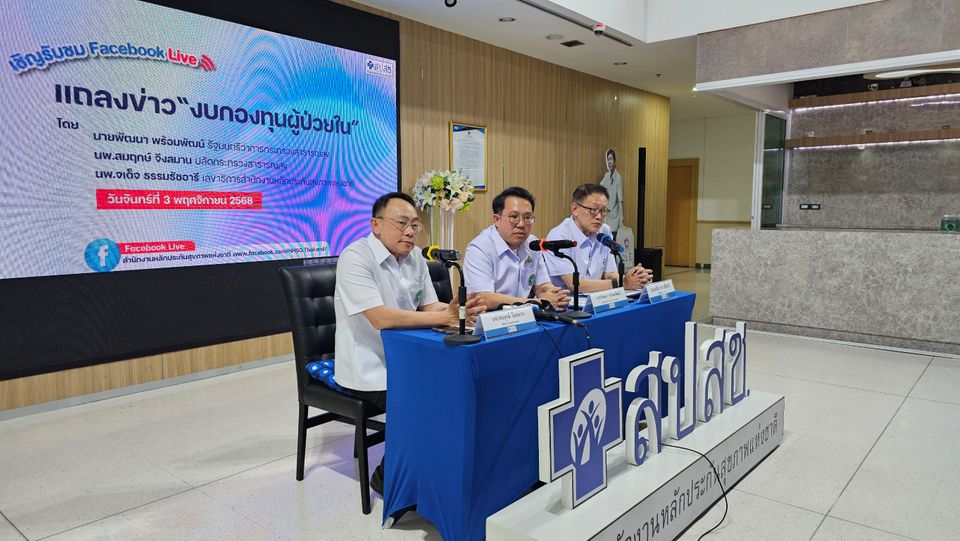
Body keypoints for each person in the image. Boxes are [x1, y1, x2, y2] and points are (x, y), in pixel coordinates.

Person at [334, 191, 484, 496]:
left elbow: (428, 306)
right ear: (376, 225)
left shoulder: (416, 257)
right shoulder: (355, 257)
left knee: (464, 385)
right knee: (428, 400)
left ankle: (441, 471)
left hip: (411, 356)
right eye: (401, 223)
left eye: (415, 225)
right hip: (371, 365)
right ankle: (387, 476)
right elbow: (380, 318)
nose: (410, 231)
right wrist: (441, 318)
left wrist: (459, 314)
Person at [463, 187, 570, 311]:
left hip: (524, 316)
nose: (521, 224)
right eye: (514, 217)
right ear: (496, 219)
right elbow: (483, 298)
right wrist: (535, 302)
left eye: (527, 218)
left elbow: (542, 285)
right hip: (491, 320)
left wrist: (553, 293)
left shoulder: (532, 243)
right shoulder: (479, 248)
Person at [543, 183, 652, 293]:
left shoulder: (604, 231)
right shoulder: (559, 236)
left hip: (596, 299)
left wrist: (634, 278)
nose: (599, 217)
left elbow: (609, 273)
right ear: (575, 209)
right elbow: (573, 284)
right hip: (566, 303)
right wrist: (623, 283)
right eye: (593, 210)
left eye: (603, 211)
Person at [599, 148, 624, 238]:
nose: (609, 162)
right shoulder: (606, 176)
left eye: (610, 159)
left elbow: (620, 200)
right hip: (606, 216)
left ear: (615, 161)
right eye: (607, 160)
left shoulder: (618, 177)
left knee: (613, 241)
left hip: (615, 216)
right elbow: (600, 188)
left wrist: (621, 219)